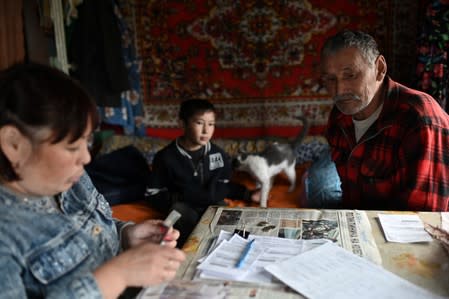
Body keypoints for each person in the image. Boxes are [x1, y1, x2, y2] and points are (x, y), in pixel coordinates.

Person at [0, 62, 186, 299]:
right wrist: (117, 275)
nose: (86, 158)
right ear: (13, 143)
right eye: (71, 147)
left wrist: (125, 236)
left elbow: (87, 232)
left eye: (87, 142)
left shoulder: (68, 180)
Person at [306, 29, 449, 211]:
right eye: (330, 79)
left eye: (350, 75)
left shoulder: (420, 120)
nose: (339, 90)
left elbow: (422, 220)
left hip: (406, 227)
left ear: (380, 69)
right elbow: (351, 198)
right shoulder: (340, 115)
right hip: (364, 219)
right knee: (314, 187)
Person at [147, 99, 260, 246]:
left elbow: (224, 186)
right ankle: (191, 254)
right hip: (183, 205)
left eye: (211, 124)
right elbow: (152, 193)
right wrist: (180, 198)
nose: (206, 131)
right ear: (183, 124)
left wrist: (249, 194)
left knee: (229, 223)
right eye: (199, 123)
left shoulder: (219, 155)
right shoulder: (166, 157)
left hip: (213, 204)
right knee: (178, 214)